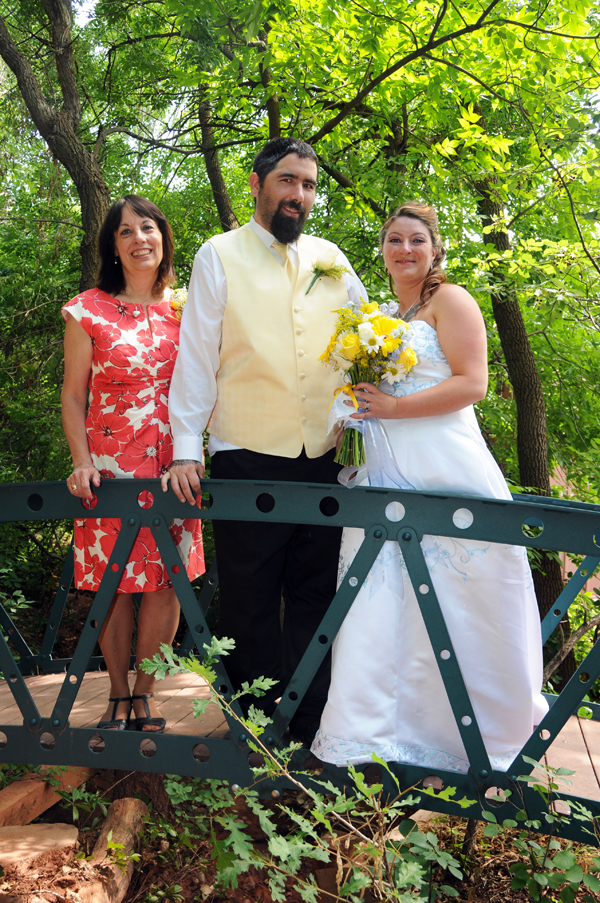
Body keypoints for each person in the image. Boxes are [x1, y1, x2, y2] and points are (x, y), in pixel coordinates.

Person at [311, 202, 548, 772]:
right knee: (380, 595)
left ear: (435, 248)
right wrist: (360, 410)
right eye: (395, 240)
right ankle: (375, 734)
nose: (405, 250)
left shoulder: (452, 300)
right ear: (384, 250)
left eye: (417, 240)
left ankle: (479, 736)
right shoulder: (387, 312)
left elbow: (474, 384)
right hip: (387, 470)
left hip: (446, 466)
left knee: (464, 600)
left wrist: (393, 406)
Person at [162, 137, 366, 746]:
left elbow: (367, 343)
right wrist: (185, 447)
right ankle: (252, 729)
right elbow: (196, 355)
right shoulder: (217, 255)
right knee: (249, 600)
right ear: (256, 184)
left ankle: (308, 727)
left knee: (316, 596)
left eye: (307, 185)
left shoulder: (334, 258)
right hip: (245, 453)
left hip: (325, 458)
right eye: (287, 181)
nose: (298, 195)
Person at [61, 195, 205, 732]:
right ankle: (117, 694)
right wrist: (81, 462)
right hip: (108, 467)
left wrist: (193, 450)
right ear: (113, 247)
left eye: (148, 228)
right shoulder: (88, 309)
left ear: (163, 238)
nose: (139, 238)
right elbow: (73, 395)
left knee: (166, 581)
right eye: (126, 232)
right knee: (112, 582)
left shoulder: (189, 309)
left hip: (177, 465)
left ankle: (145, 695)